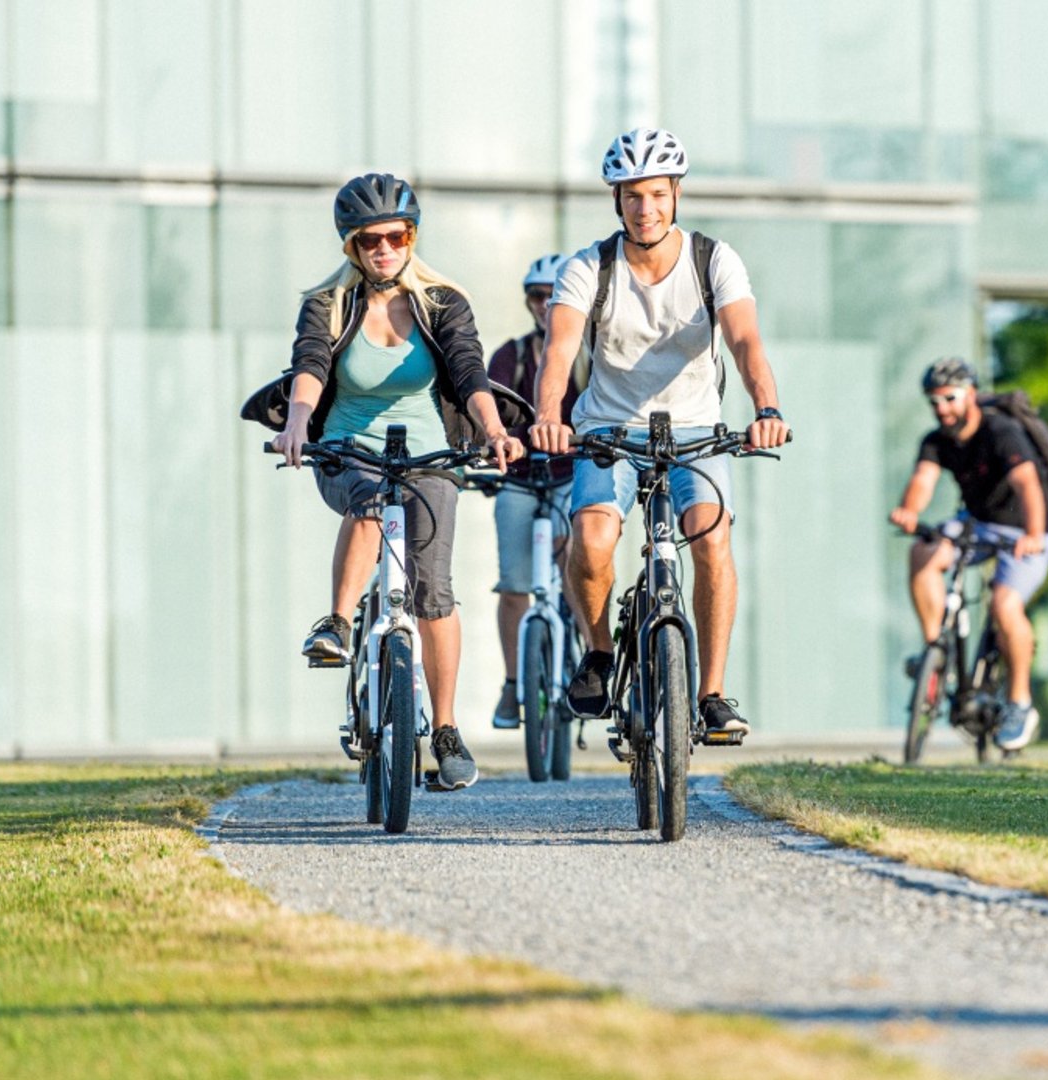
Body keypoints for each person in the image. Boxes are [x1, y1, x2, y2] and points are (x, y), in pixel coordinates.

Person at [528, 128, 790, 741]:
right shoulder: (589, 267)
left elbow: (745, 340)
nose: (646, 209)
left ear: (676, 194)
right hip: (608, 429)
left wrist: (767, 407)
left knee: (711, 538)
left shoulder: (713, 260)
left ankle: (713, 695)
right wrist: (549, 416)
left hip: (694, 428)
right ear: (616, 201)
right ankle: (598, 651)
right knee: (591, 539)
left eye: (657, 195)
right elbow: (559, 349)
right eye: (632, 197)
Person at [266, 172, 523, 791]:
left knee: (434, 592)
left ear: (412, 237)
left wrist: (493, 432)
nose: (385, 249)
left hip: (429, 454)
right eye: (370, 240)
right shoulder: (328, 305)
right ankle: (337, 623)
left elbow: (468, 375)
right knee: (370, 507)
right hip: (348, 449)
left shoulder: (442, 304)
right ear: (350, 247)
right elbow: (310, 366)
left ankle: (446, 730)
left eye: (397, 235)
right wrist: (298, 424)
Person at [888, 358, 1048, 752]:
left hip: (1027, 531)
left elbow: (1029, 485)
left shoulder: (1002, 432)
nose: (942, 408)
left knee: (1004, 603)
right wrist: (910, 512)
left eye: (949, 398)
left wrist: (1033, 534)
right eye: (934, 402)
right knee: (922, 552)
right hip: (977, 524)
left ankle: (1019, 702)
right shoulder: (937, 440)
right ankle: (937, 654)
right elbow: (923, 480)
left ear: (970, 394)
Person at [485, 254, 579, 729]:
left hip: (571, 477)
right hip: (520, 480)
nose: (546, 306)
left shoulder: (587, 357)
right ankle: (512, 683)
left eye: (554, 296)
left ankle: (588, 662)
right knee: (514, 584)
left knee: (582, 562)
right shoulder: (512, 356)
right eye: (538, 297)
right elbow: (489, 414)